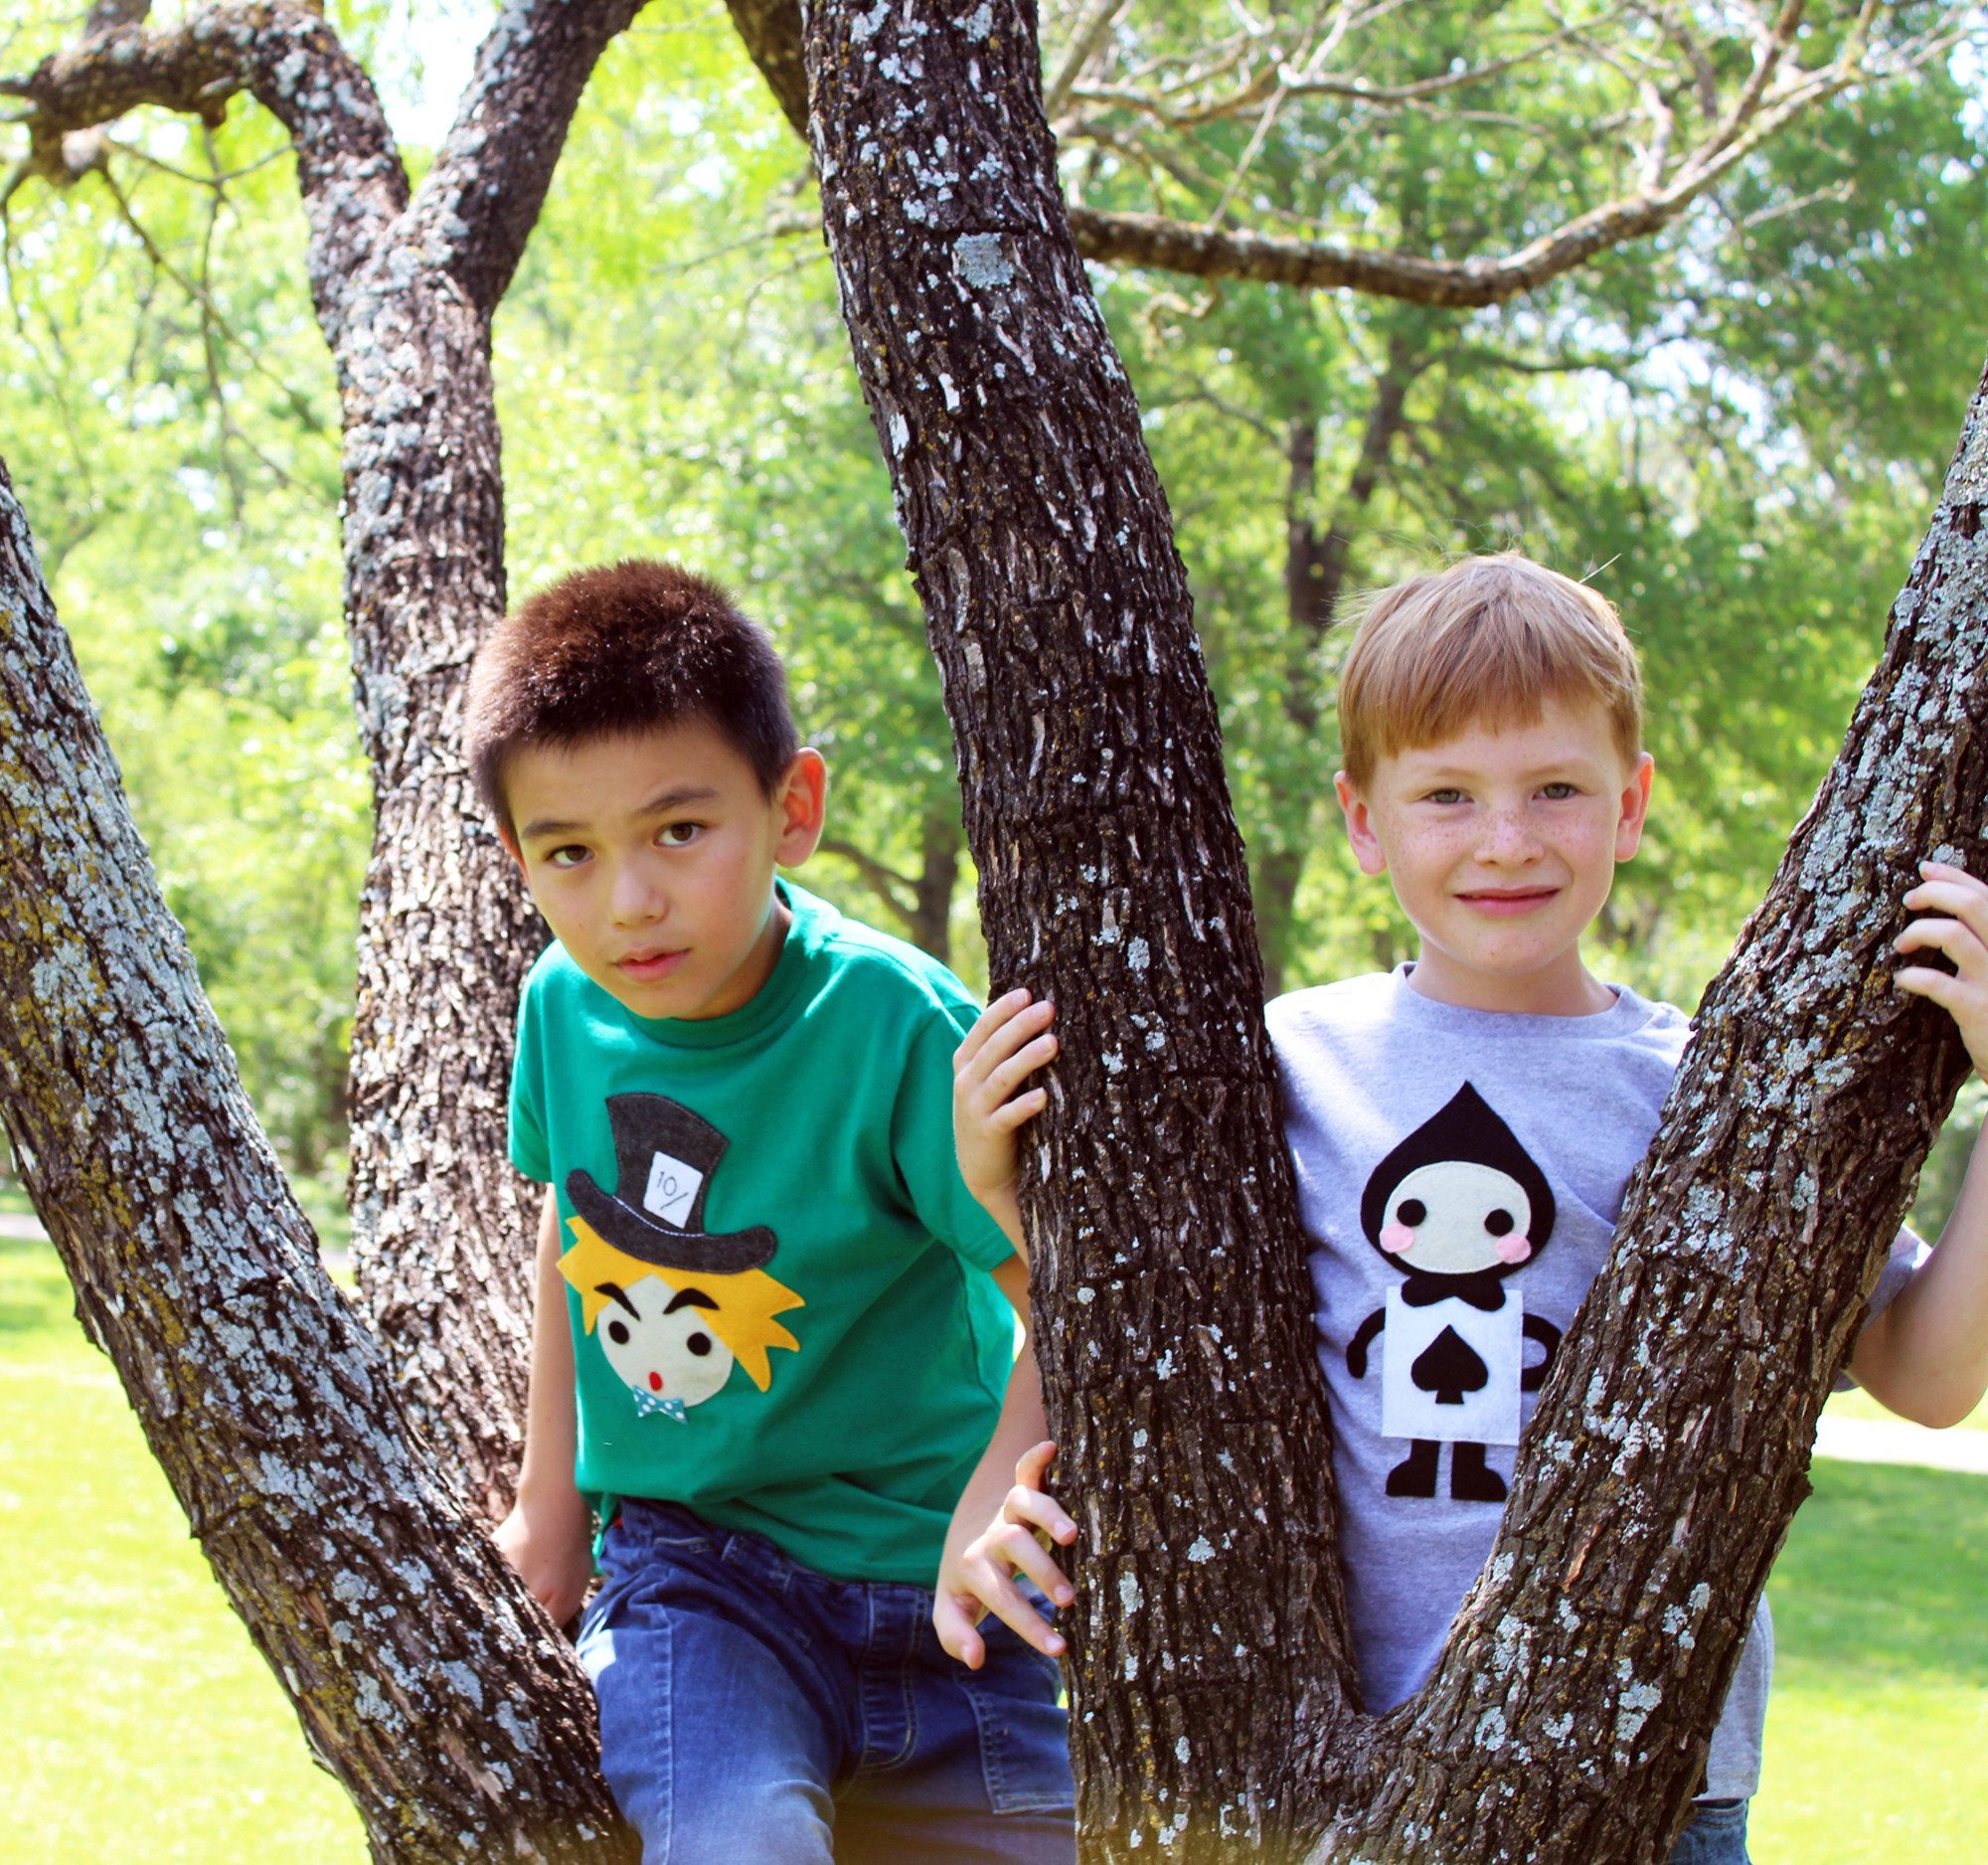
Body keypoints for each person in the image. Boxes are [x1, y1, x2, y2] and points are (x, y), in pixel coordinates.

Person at [944, 553, 1988, 1865]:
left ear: (1632, 804)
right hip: (1337, 1758)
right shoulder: (1279, 1065)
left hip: (1645, 1772)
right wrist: (1010, 1241)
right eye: (1447, 795)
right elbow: (1139, 1330)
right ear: (1365, 820)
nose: (1506, 840)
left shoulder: (1706, 1091)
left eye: (1556, 788)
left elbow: (1928, 1373)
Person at [467, 560, 1075, 1865]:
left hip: (946, 1596)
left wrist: (990, 1506)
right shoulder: (560, 1011)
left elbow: (1057, 1306)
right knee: (735, 1842)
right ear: (519, 860)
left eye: (679, 831)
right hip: (704, 1580)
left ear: (792, 806)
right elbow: (578, 1240)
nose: (629, 900)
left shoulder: (896, 1028)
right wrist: (550, 1513)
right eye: (570, 853)